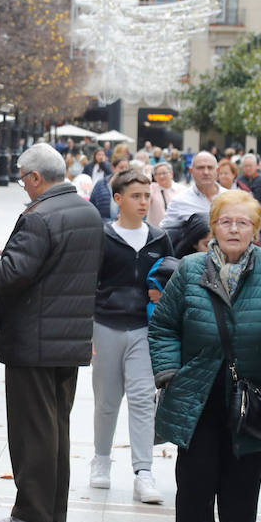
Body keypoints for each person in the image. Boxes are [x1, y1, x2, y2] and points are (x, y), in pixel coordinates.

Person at [149, 190, 261, 522]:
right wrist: (168, 371)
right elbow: (163, 325)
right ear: (213, 226)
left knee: (243, 480)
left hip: (254, 392)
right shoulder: (190, 268)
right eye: (226, 221)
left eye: (242, 222)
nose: (233, 228)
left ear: (256, 230)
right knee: (194, 479)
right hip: (198, 390)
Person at [0, 143, 102, 522]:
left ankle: (32, 514)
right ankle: (52, 514)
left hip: (35, 340)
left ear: (36, 178)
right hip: (68, 338)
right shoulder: (86, 211)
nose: (23, 186)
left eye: (24, 178)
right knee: (55, 428)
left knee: (33, 432)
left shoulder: (40, 216)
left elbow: (10, 275)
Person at [92, 169, 171, 503]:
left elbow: (170, 278)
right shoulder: (102, 236)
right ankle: (101, 460)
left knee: (142, 400)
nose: (143, 202)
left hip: (143, 328)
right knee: (107, 401)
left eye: (147, 195)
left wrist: (162, 295)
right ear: (118, 199)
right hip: (105, 325)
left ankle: (144, 472)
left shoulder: (158, 238)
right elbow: (88, 283)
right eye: (136, 196)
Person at [161, 152, 221, 232]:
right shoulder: (179, 201)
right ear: (191, 171)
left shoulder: (231, 198)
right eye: (200, 168)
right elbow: (165, 234)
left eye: (210, 168)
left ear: (217, 170)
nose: (206, 172)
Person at [236, 154, 261, 246]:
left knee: (258, 242)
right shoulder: (238, 180)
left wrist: (257, 211)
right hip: (241, 217)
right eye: (245, 166)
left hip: (260, 217)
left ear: (256, 166)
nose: (248, 168)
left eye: (250, 166)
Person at [89, 155, 130, 220]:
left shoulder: (130, 185)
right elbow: (92, 204)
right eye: (121, 168)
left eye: (126, 168)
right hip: (103, 223)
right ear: (113, 168)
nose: (124, 170)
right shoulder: (101, 184)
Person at [146, 161, 179, 228]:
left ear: (171, 174)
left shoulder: (182, 190)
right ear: (154, 177)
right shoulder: (151, 188)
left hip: (177, 230)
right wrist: (148, 175)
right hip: (155, 230)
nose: (161, 176)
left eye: (164, 173)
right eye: (158, 174)